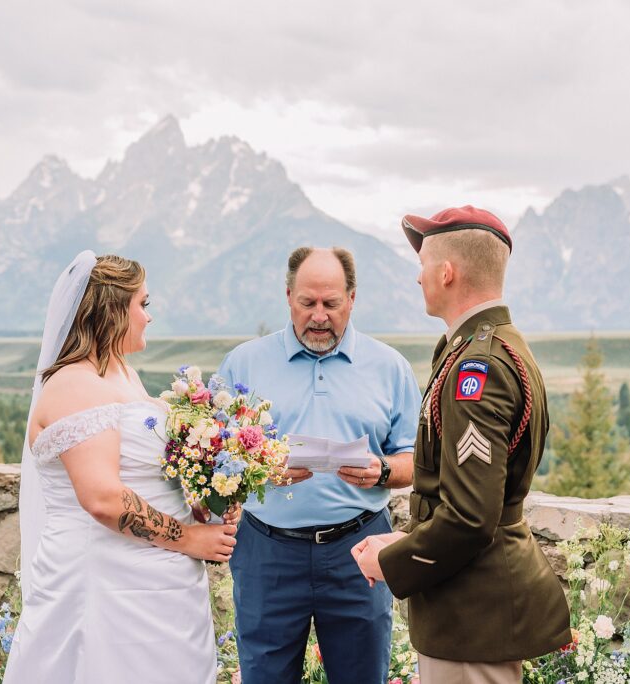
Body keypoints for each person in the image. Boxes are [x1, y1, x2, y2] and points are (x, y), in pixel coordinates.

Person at [352, 206, 571, 684]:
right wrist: (407, 539)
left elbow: (471, 517)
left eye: (424, 265)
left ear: (447, 272)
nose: (418, 279)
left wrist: (392, 562)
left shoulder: (480, 367)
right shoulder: (488, 346)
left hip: (473, 612)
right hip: (473, 604)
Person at [6, 252, 239, 684]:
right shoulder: (76, 384)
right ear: (112, 309)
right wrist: (188, 537)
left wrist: (199, 493)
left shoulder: (123, 375)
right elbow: (101, 498)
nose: (149, 317)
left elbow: (140, 466)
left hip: (155, 579)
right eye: (143, 304)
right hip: (107, 583)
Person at [216, 246, 422, 684]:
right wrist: (261, 466)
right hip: (266, 552)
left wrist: (381, 471)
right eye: (307, 303)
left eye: (331, 303)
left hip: (360, 550)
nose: (319, 315)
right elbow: (216, 457)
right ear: (288, 296)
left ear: (352, 299)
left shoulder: (390, 367)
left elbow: (417, 463)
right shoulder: (243, 363)